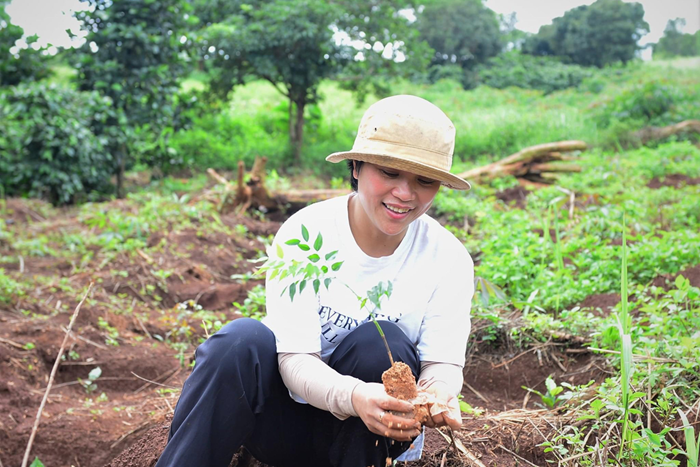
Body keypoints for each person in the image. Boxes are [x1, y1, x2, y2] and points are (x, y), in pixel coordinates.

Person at [156, 95, 475, 467]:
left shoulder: (447, 258)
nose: (405, 194)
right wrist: (355, 396)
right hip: (286, 426)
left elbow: (442, 363)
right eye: (389, 173)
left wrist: (437, 395)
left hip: (370, 438)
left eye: (424, 180)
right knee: (239, 342)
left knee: (381, 341)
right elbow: (294, 361)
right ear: (356, 167)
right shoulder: (306, 234)